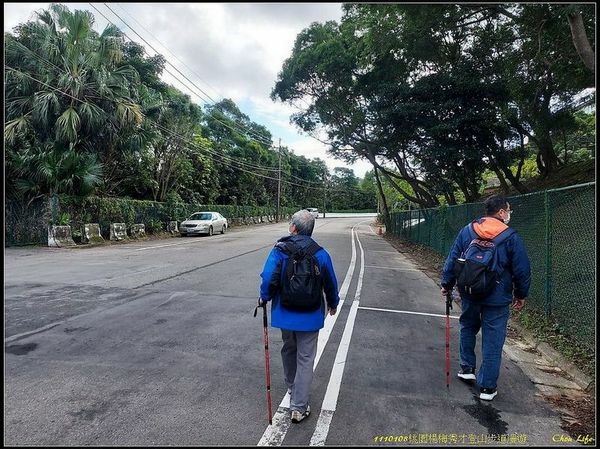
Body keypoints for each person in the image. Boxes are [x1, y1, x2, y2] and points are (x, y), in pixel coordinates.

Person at [441, 195, 531, 401]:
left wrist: (446, 283)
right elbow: (522, 269)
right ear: (501, 212)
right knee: (493, 338)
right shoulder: (510, 236)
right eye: (508, 210)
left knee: (468, 326)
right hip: (497, 297)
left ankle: (467, 368)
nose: (509, 213)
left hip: (469, 291)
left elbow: (454, 257)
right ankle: (488, 388)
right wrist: (521, 294)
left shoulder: (468, 229)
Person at [258, 209, 339, 423]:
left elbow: (268, 277)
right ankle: (299, 407)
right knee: (305, 358)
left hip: (285, 312)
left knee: (289, 349)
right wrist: (333, 303)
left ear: (293, 228)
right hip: (311, 315)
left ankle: (293, 391)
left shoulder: (281, 250)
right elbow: (330, 281)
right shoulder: (320, 253)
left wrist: (263, 297)